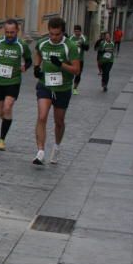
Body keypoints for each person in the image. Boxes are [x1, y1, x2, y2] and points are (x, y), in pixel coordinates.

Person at [32, 17, 81, 166]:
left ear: (63, 33)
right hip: (45, 85)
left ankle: (57, 146)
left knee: (59, 121)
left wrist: (60, 64)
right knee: (42, 116)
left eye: (57, 34)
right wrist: (36, 67)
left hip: (63, 87)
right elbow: (38, 52)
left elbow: (76, 70)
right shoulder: (42, 43)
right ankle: (40, 152)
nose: (54, 37)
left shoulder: (70, 46)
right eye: (51, 34)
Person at [0, 19, 32, 150]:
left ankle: (1, 140)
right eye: (7, 32)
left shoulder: (22, 45)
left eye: (12, 32)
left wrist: (25, 67)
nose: (9, 35)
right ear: (3, 31)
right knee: (0, 111)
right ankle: (7, 120)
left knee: (7, 107)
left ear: (17, 31)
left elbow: (29, 60)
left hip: (13, 81)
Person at [70, 25, 89, 94]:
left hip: (80, 59)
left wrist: (82, 44)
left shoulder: (84, 38)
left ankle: (75, 88)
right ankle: (68, 85)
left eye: (78, 31)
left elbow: (87, 48)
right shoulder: (71, 38)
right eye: (75, 31)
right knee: (69, 72)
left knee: (78, 74)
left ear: (80, 31)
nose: (76, 33)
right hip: (71, 59)